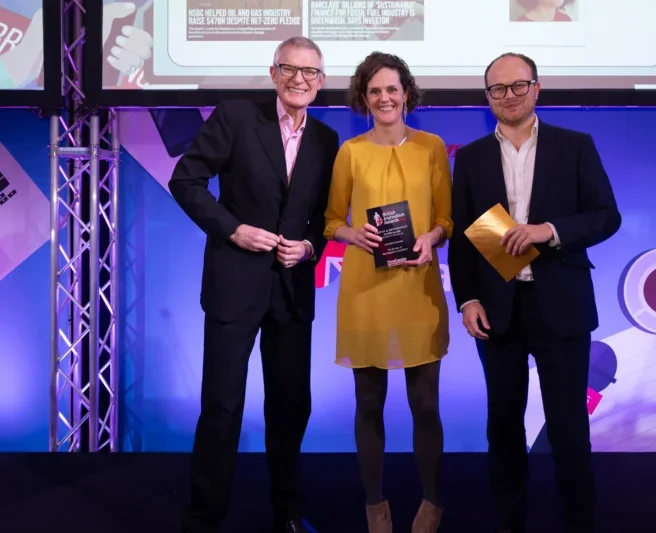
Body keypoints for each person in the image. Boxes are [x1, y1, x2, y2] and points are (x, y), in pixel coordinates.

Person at [168, 36, 339, 533]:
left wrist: (308, 248)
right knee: (222, 405)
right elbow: (187, 180)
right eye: (290, 69)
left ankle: (287, 511)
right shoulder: (237, 117)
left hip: (291, 289)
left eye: (310, 72)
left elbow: (324, 219)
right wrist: (232, 228)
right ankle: (203, 516)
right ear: (274, 73)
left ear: (321, 82)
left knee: (291, 405)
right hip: (233, 286)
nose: (300, 79)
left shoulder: (328, 141)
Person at [449, 52, 621, 533]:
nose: (508, 96)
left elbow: (607, 217)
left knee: (568, 429)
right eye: (498, 89)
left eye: (518, 85)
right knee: (502, 427)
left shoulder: (575, 147)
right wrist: (467, 299)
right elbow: (465, 236)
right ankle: (510, 523)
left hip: (560, 307)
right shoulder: (472, 157)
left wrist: (549, 230)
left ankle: (579, 521)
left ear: (537, 88)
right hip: (498, 310)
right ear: (488, 98)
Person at [323, 52, 452, 533]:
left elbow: (446, 219)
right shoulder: (350, 152)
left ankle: (433, 502)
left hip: (418, 288)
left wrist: (431, 239)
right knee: (368, 403)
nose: (384, 98)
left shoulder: (432, 147)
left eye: (392, 89)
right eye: (374, 90)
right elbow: (332, 220)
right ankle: (375, 506)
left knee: (426, 406)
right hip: (365, 292)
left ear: (406, 94)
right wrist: (351, 235)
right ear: (363, 97)